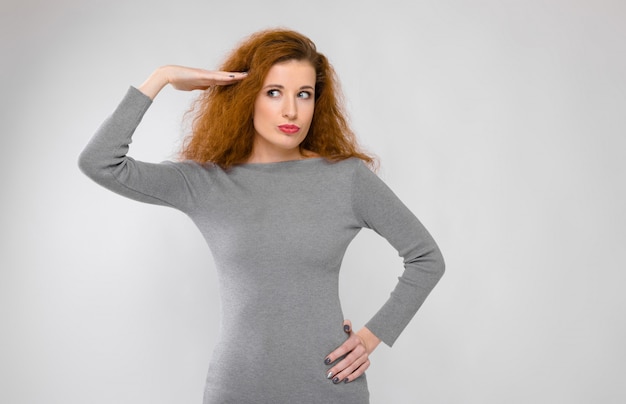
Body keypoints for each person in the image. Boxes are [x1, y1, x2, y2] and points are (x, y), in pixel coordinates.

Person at [78, 28, 445, 404]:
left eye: (304, 94)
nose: (291, 110)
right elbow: (100, 163)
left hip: (328, 386)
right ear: (246, 97)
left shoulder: (346, 178)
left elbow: (426, 258)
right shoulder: (206, 183)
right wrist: (163, 77)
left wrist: (370, 338)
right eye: (274, 92)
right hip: (237, 388)